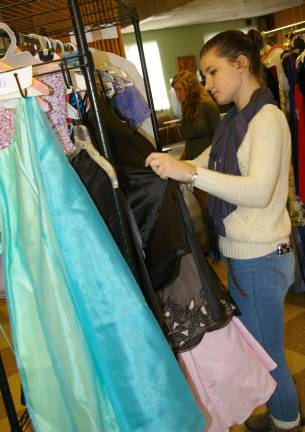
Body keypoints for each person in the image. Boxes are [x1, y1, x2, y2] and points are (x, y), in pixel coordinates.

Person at [145, 29, 300, 432]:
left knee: (268, 353)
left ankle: (286, 421)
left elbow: (259, 191)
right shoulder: (235, 121)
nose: (207, 83)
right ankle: (283, 415)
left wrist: (190, 173)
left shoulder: (266, 120)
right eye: (204, 74)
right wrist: (173, 167)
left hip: (261, 260)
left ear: (241, 64)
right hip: (248, 257)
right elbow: (207, 159)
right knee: (260, 349)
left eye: (213, 71)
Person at [171, 70, 220, 160]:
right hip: (192, 157)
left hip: (208, 157)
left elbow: (220, 135)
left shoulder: (206, 104)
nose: (177, 95)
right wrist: (181, 160)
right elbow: (189, 140)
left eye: (179, 89)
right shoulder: (186, 106)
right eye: (175, 91)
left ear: (190, 87)